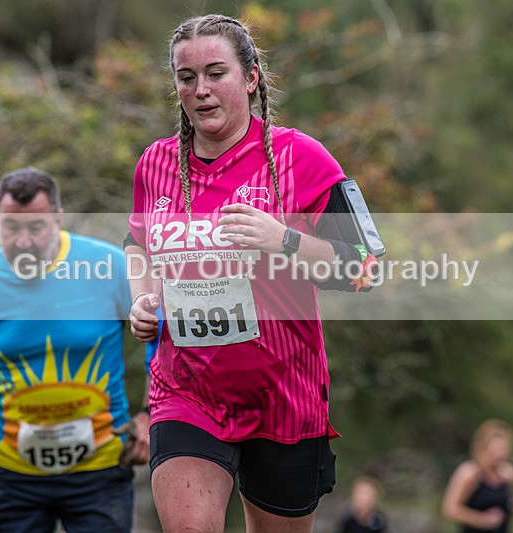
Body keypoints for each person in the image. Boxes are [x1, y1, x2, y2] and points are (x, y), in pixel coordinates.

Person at [125, 14, 378, 533]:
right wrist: (143, 298)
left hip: (284, 395)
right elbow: (138, 244)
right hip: (186, 389)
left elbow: (365, 270)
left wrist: (280, 239)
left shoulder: (300, 159)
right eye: (186, 77)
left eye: (216, 73)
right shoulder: (156, 164)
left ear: (251, 77)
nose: (201, 90)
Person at [0, 167, 151, 532]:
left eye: (35, 227)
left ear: (58, 218)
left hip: (101, 470)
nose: (22, 240)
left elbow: (161, 342)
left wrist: (147, 416)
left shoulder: (108, 267)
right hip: (15, 474)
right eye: (10, 228)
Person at [442, 419, 513, 533]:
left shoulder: (509, 474)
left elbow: (506, 502)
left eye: (505, 449)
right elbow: (450, 510)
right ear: (484, 448)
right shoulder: (469, 473)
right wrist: (482, 520)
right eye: (498, 449)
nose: (502, 454)